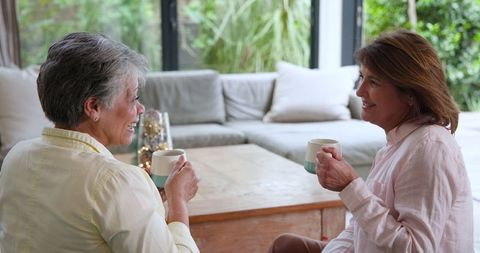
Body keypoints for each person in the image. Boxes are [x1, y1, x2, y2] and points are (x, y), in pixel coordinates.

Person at [268, 30, 473, 252]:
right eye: (362, 77)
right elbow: (360, 227)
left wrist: (350, 186)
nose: (359, 91)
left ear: (411, 93)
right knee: (286, 245)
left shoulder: (430, 149)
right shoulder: (397, 145)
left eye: (373, 82)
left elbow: (415, 248)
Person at [0, 32, 200, 252]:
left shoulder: (16, 158)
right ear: (93, 107)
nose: (140, 109)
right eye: (133, 98)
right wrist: (178, 201)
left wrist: (143, 203)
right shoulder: (114, 181)